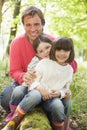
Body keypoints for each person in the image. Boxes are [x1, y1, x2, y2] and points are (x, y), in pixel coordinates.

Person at [2, 36, 75, 130]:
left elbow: (66, 88)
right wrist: (40, 87)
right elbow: (32, 81)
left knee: (58, 106)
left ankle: (58, 127)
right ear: (54, 50)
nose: (62, 53)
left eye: (65, 50)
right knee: (33, 95)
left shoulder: (69, 70)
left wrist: (60, 93)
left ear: (71, 52)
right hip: (37, 92)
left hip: (52, 98)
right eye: (59, 50)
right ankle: (13, 122)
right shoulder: (44, 63)